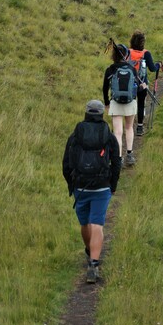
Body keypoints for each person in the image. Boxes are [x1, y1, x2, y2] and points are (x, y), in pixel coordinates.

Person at [62, 99, 120, 283]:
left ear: (86, 112)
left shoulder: (75, 135)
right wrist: (113, 184)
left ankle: (89, 252)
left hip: (80, 185)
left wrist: (71, 184)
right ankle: (93, 265)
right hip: (102, 185)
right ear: (102, 113)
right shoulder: (108, 135)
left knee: (85, 224)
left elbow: (66, 163)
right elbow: (117, 162)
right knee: (97, 225)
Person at [102, 41, 137, 167]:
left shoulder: (110, 69)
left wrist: (107, 103)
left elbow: (105, 88)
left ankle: (119, 159)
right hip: (130, 102)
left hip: (115, 102)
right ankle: (130, 154)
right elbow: (136, 87)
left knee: (117, 131)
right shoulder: (132, 69)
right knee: (129, 127)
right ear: (126, 55)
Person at [128, 30, 163, 136]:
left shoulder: (128, 52)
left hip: (129, 83)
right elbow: (152, 68)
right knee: (140, 104)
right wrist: (159, 65)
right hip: (142, 84)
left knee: (130, 103)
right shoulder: (146, 53)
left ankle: (128, 126)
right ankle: (139, 127)